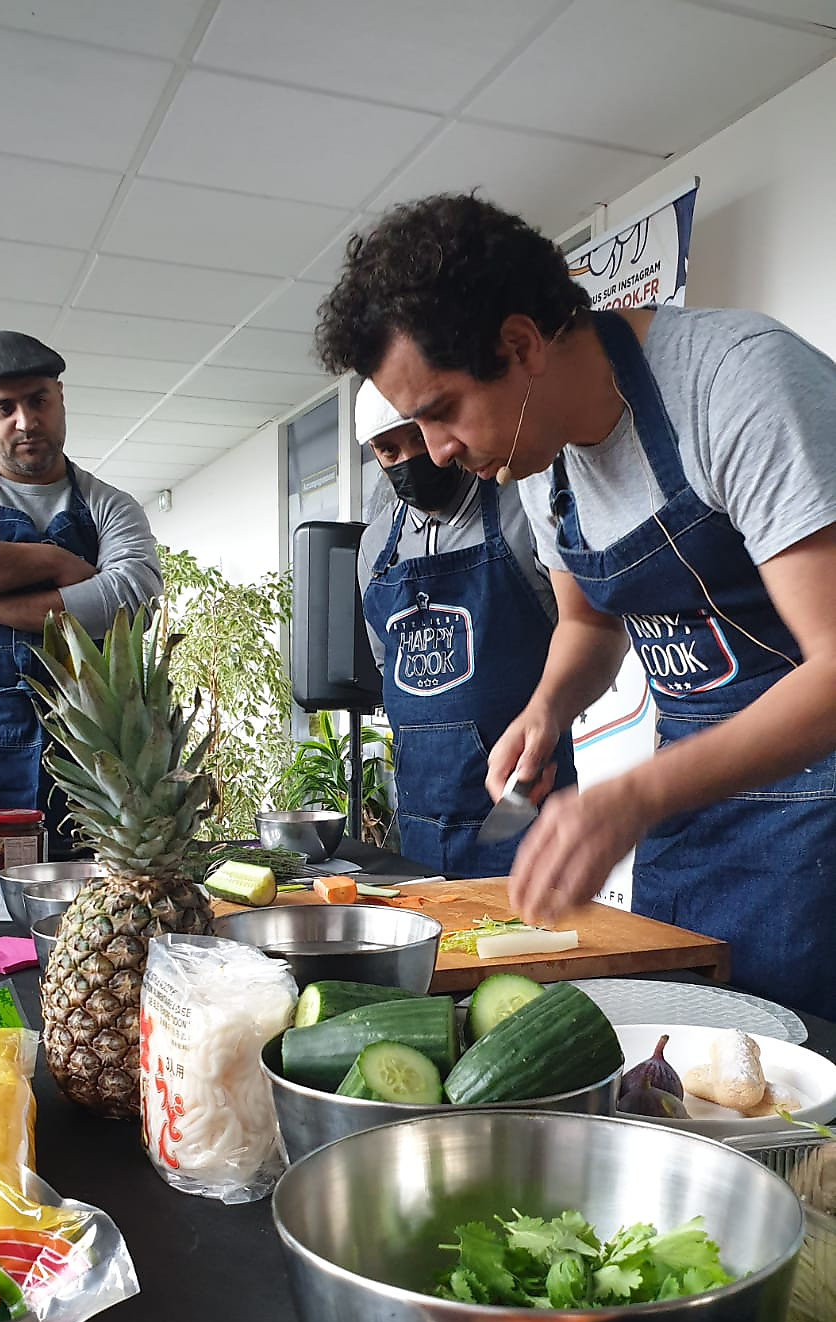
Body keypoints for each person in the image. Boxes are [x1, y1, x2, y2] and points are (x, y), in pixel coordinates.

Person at [316, 194, 836, 1019]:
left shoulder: (736, 384)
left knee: (803, 1099)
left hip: (820, 819)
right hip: (692, 815)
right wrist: (547, 710)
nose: (439, 451)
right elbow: (589, 623)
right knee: (690, 1061)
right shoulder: (541, 463)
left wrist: (634, 795)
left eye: (442, 411)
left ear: (522, 345)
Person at [0, 330, 163, 851]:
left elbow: (137, 597)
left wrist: (0, 608)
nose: (25, 421)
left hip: (86, 758)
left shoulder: (112, 506)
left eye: (38, 400)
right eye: (3, 407)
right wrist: (54, 562)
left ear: (60, 399)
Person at [355, 378, 575, 877]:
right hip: (418, 821)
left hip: (522, 808)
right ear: (374, 453)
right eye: (390, 451)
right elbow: (388, 664)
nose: (411, 459)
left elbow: (583, 633)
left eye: (419, 437)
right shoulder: (374, 549)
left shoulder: (523, 510)